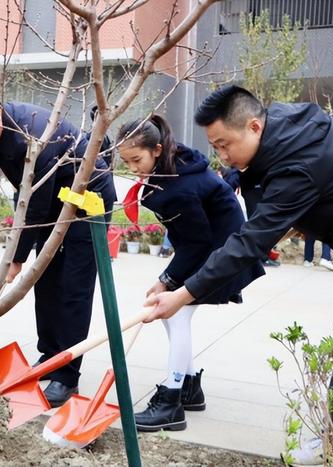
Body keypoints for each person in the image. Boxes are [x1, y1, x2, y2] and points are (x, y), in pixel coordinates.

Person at [145, 85, 333, 463]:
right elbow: (262, 226)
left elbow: (251, 241)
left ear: (254, 126)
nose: (221, 156)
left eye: (224, 145)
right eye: (214, 146)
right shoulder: (281, 130)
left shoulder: (299, 162)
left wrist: (182, 295)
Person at [0, 81, 117, 406]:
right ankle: (50, 356)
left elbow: (34, 204)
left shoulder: (33, 134)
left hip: (87, 205)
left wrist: (16, 257)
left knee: (73, 290)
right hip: (54, 203)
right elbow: (26, 197)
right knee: (46, 282)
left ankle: (67, 377)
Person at [118, 115, 264, 432]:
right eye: (127, 161)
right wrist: (168, 278)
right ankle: (189, 388)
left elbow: (196, 242)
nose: (133, 169)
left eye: (136, 159)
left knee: (178, 315)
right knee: (173, 315)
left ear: (156, 149)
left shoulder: (178, 186)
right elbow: (190, 238)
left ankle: (171, 399)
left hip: (222, 249)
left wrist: (167, 279)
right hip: (207, 245)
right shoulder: (171, 163)